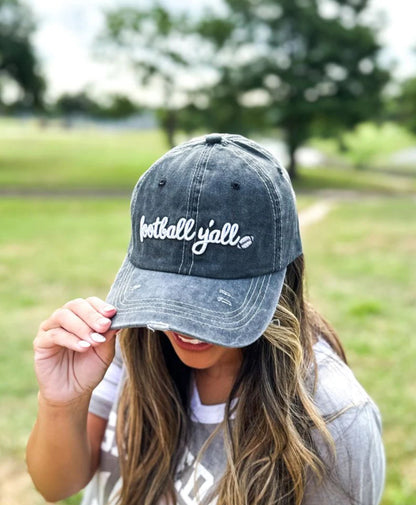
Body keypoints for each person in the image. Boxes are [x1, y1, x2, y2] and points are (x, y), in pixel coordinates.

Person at [26, 133, 385, 505]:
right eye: (166, 292)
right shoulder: (127, 342)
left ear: (282, 279)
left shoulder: (336, 422)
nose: (180, 325)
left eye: (215, 298)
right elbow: (56, 485)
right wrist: (62, 402)